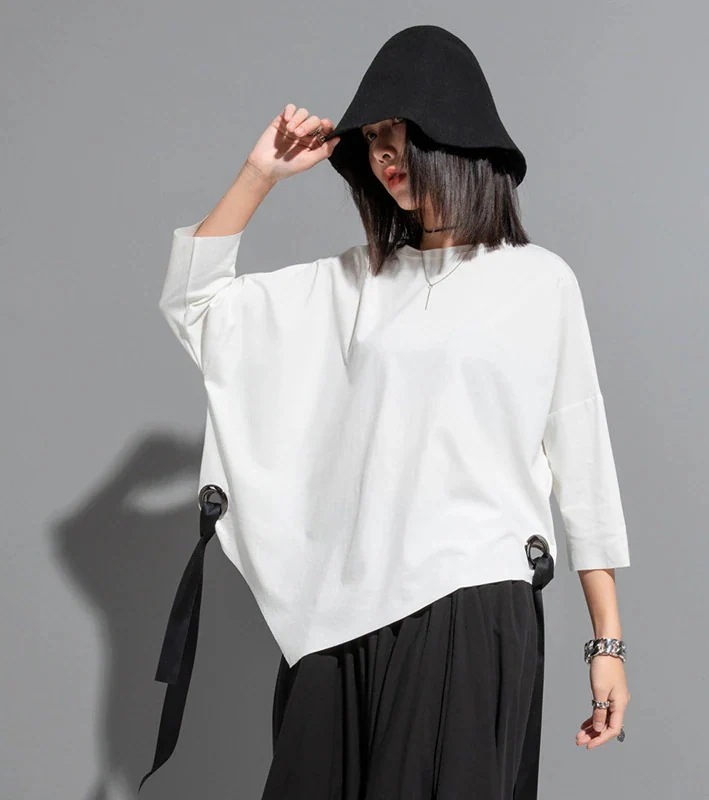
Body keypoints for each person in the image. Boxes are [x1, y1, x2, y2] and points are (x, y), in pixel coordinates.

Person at [139, 25, 631, 800]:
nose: (385, 157)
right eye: (373, 141)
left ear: (454, 138)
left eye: (402, 137)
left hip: (468, 601)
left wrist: (607, 643)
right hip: (341, 610)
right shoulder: (356, 281)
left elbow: (584, 462)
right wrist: (259, 174)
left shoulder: (540, 282)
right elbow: (194, 303)